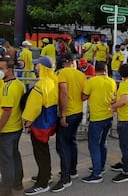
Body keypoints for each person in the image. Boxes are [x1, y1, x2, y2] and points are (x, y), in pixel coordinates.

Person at [22, 56, 58, 195]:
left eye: (38, 65)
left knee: (40, 153)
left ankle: (42, 183)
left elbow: (34, 108)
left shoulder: (40, 85)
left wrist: (27, 124)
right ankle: (46, 175)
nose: (36, 67)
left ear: (43, 68)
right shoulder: (53, 81)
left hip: (40, 124)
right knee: (44, 151)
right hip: (50, 123)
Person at [52, 53, 86, 192]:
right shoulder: (81, 75)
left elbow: (64, 93)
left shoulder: (62, 73)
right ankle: (72, 169)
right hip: (78, 112)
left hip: (68, 113)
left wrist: (63, 114)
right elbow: (85, 94)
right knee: (71, 141)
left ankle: (65, 178)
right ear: (73, 62)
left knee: (62, 145)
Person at [81, 61, 116, 183]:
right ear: (106, 70)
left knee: (94, 145)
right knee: (103, 143)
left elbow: (84, 97)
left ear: (95, 70)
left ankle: (96, 174)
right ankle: (100, 167)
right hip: (108, 116)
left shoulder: (92, 81)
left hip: (97, 118)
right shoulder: (112, 81)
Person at [110, 64, 128, 183]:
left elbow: (124, 100)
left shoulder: (124, 84)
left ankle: (126, 172)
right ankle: (124, 162)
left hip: (126, 119)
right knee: (125, 143)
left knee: (125, 145)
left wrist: (112, 107)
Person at [0, 57, 25, 196]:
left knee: (5, 160)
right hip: (16, 127)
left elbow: (6, 112)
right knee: (15, 155)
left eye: (1, 69)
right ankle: (17, 182)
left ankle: (5, 188)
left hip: (6, 129)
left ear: (9, 70)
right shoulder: (18, 83)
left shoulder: (7, 89)